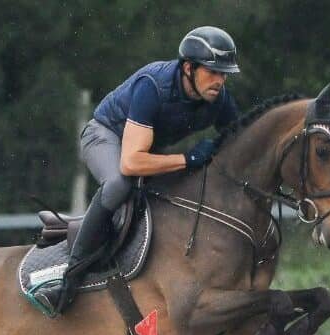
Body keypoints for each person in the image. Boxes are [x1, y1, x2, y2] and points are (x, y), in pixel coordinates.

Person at [44, 26, 242, 315]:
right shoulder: (153, 86)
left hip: (142, 150)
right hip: (105, 136)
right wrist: (187, 159)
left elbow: (240, 139)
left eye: (224, 74)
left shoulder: (218, 98)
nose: (220, 81)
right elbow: (131, 162)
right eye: (213, 72)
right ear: (189, 68)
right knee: (119, 184)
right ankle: (69, 279)